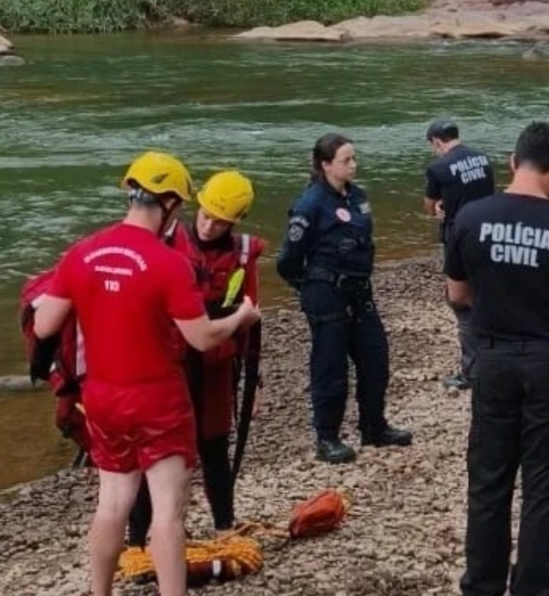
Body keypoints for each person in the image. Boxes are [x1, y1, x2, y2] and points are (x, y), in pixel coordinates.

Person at [33, 152, 261, 596]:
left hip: (102, 398)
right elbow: (201, 338)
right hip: (158, 400)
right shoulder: (168, 264)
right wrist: (240, 320)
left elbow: (44, 326)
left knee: (112, 503)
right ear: (172, 204)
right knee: (168, 512)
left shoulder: (82, 252)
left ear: (131, 191)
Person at [444, 121, 549, 596]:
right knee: (544, 487)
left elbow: (458, 293)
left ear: (513, 162)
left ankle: (481, 586)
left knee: (489, 481)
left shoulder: (472, 218)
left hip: (493, 361)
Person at [127, 170, 265, 546]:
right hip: (167, 367)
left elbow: (251, 318)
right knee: (155, 454)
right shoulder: (163, 242)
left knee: (214, 447)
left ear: (234, 222)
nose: (208, 225)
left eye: (220, 221)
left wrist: (256, 382)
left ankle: (224, 525)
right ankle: (138, 538)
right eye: (205, 215)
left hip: (215, 367)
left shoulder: (241, 255)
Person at [277, 133, 412, 465]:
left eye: (354, 159)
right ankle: (327, 437)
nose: (354, 165)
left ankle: (374, 426)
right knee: (330, 366)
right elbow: (288, 260)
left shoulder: (357, 197)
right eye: (346, 160)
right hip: (327, 293)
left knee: (375, 358)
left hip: (359, 290)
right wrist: (309, 288)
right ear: (325, 165)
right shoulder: (310, 204)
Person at [423, 118, 495, 390]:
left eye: (433, 146)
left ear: (437, 141)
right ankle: (496, 354)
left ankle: (472, 371)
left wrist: (439, 206)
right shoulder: (483, 158)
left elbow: (430, 207)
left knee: (461, 303)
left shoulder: (438, 167)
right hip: (488, 232)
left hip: (459, 239)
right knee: (488, 293)